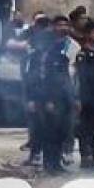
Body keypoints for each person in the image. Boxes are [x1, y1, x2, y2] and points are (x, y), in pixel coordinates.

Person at [24, 21, 72, 173]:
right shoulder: (38, 58)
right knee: (48, 132)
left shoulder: (60, 56)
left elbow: (65, 78)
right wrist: (37, 100)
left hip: (62, 98)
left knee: (60, 131)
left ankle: (56, 163)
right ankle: (49, 164)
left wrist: (71, 98)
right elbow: (35, 80)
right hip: (47, 99)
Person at [72, 21, 94, 169]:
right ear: (86, 35)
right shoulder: (82, 55)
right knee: (85, 127)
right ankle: (86, 156)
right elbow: (81, 77)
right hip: (85, 97)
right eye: (93, 33)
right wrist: (78, 98)